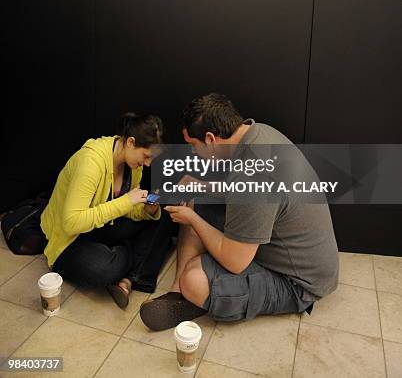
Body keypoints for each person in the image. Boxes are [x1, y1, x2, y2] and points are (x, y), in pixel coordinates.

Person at [140, 93, 339, 330]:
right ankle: (177, 294)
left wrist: (192, 219)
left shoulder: (253, 170)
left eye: (193, 145)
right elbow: (244, 192)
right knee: (197, 199)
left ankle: (191, 291)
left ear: (211, 139)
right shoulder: (257, 133)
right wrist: (201, 186)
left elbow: (235, 262)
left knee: (194, 278)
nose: (193, 153)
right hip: (284, 242)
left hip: (298, 282)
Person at [40, 112, 176, 309]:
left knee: (163, 216)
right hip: (69, 239)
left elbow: (128, 210)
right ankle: (134, 264)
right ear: (130, 142)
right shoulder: (91, 162)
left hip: (102, 226)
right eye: (146, 156)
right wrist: (126, 202)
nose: (147, 164)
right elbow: (71, 223)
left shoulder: (133, 165)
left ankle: (127, 276)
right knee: (102, 269)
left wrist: (147, 209)